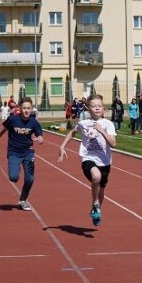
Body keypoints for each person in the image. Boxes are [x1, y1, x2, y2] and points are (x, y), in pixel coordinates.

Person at [58, 94, 117, 227]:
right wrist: (62, 146)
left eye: (99, 106)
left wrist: (102, 131)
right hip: (88, 159)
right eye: (93, 106)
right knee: (96, 177)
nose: (97, 108)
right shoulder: (83, 123)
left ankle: (96, 209)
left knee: (101, 189)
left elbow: (113, 144)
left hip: (105, 162)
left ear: (103, 109)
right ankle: (95, 203)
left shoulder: (108, 124)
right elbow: (73, 132)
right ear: (87, 109)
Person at [0, 97, 43, 211]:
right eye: (24, 108)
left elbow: (40, 135)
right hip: (14, 152)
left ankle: (23, 200)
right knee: (13, 177)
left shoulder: (34, 122)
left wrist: (40, 139)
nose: (26, 110)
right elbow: (2, 131)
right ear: (20, 108)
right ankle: (16, 167)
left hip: (28, 152)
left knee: (30, 179)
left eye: (28, 108)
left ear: (32, 109)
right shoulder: (13, 119)